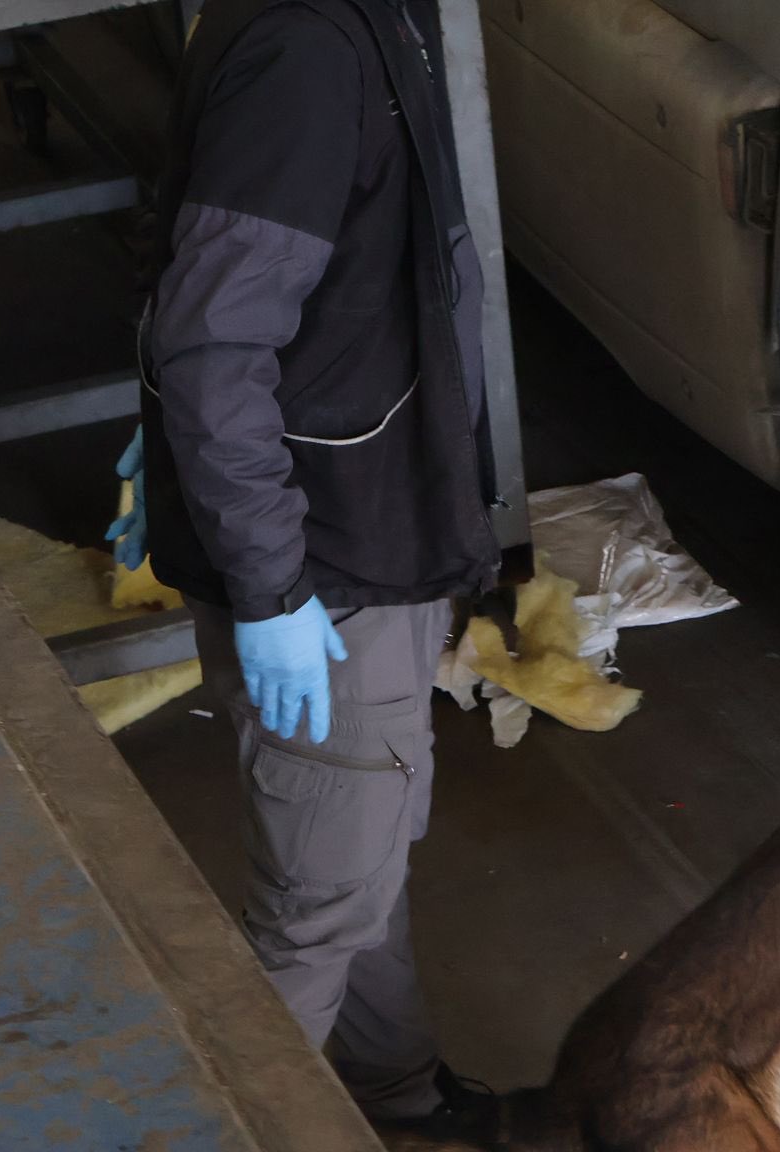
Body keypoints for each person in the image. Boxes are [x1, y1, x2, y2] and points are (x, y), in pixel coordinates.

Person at [106, 0, 500, 1130]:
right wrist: (272, 585)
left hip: (373, 531)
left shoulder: (366, 18)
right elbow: (212, 340)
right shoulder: (307, 52)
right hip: (322, 567)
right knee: (319, 906)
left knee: (365, 848)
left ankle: (394, 1092)